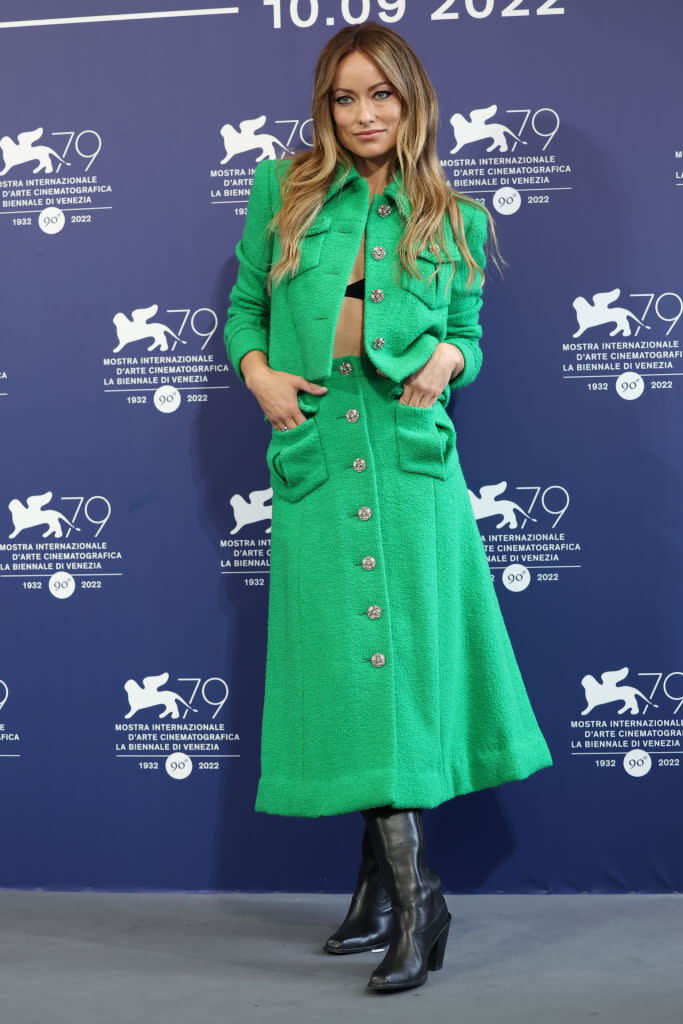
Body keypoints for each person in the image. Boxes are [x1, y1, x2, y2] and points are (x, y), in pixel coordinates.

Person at [224, 22, 553, 994]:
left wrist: (449, 359)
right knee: (353, 676)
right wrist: (261, 377)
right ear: (324, 106)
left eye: (381, 95)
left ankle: (414, 905)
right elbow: (245, 304)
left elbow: (466, 333)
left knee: (399, 680)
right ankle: (392, 896)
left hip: (412, 472)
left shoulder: (455, 216)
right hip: (319, 455)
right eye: (343, 97)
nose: (363, 115)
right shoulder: (278, 192)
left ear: (411, 102)